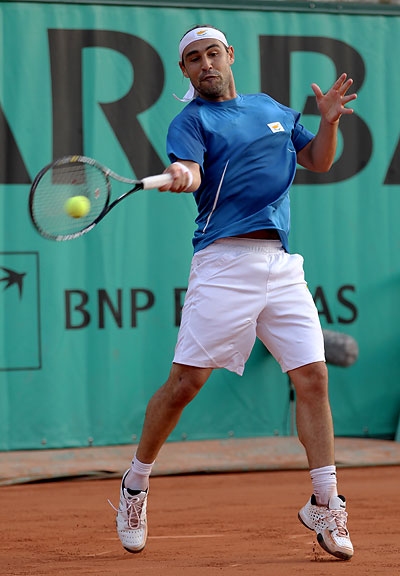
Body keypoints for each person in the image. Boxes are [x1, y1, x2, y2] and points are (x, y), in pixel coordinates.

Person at [111, 25, 357, 561]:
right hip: (223, 263)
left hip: (281, 263)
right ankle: (135, 485)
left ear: (230, 56)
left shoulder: (269, 107)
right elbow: (192, 170)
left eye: (213, 54)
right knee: (185, 385)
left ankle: (326, 502)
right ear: (185, 70)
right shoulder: (190, 121)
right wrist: (183, 173)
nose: (206, 64)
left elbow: (318, 161)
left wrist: (329, 122)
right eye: (194, 58)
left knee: (313, 377)